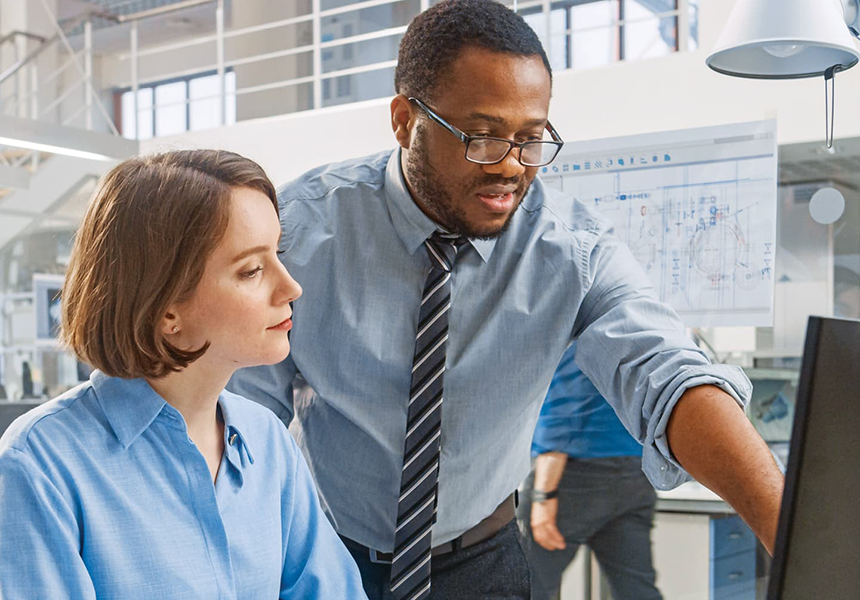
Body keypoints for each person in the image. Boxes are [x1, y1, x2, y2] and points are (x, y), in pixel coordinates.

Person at [229, 1, 784, 598]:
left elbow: (666, 372)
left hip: (482, 561)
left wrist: (793, 532)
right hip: (328, 553)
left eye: (530, 139)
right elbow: (241, 417)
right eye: (484, 137)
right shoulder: (299, 232)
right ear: (404, 120)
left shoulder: (571, 249)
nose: (512, 167)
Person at [0, 150, 367, 599]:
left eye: (278, 254)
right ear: (165, 308)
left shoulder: (269, 442)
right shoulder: (40, 464)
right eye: (252, 270)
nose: (291, 287)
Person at [518, 344, 663, 600]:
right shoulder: (634, 334)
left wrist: (543, 495)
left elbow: (563, 409)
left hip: (575, 477)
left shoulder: (575, 332)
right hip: (636, 472)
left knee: (527, 587)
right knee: (637, 591)